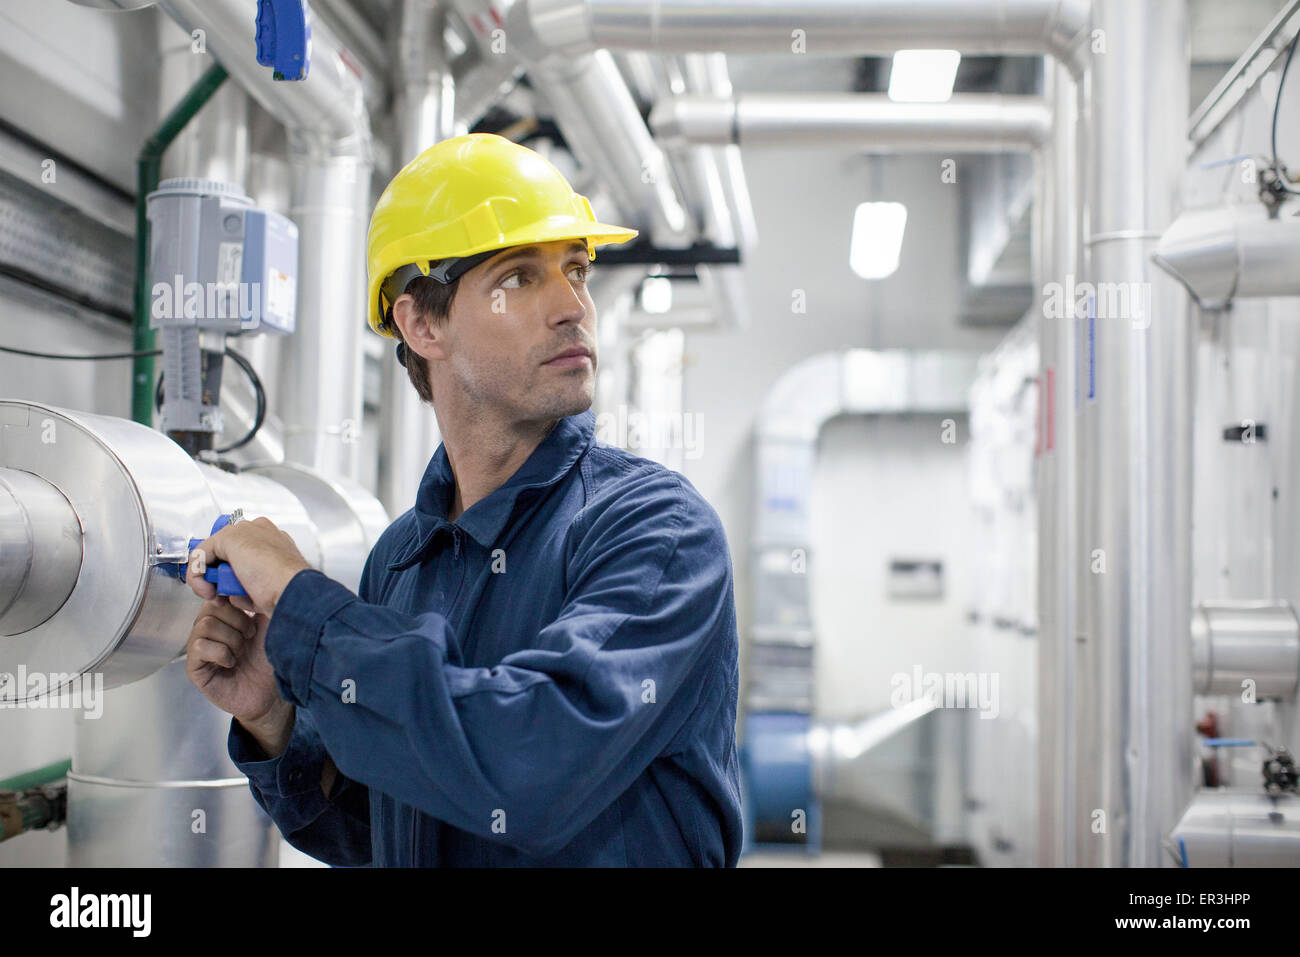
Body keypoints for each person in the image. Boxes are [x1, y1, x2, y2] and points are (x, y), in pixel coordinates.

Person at [182, 133, 743, 866]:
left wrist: (299, 604)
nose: (573, 305)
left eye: (576, 270)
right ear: (422, 323)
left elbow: (526, 764)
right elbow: (395, 827)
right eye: (521, 275)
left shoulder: (655, 531)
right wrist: (274, 721)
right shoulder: (402, 559)